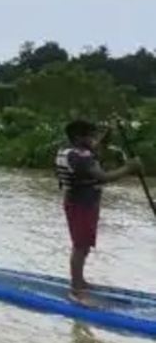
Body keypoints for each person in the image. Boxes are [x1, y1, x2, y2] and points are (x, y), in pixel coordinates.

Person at [55, 119, 140, 304]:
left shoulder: (69, 150)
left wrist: (109, 131)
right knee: (80, 246)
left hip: (83, 204)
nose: (94, 139)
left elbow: (98, 148)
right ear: (79, 138)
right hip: (81, 205)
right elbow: (103, 176)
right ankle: (76, 290)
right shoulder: (79, 157)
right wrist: (129, 168)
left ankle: (81, 281)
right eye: (90, 136)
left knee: (84, 245)